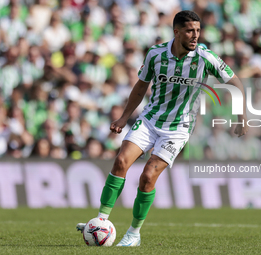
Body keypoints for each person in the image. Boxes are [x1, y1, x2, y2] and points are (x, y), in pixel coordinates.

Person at [76, 10, 248, 246]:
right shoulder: (156, 54)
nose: (195, 36)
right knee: (120, 162)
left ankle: (133, 233)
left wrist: (242, 116)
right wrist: (124, 117)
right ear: (176, 32)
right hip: (150, 120)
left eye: (198, 31)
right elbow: (140, 87)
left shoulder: (206, 58)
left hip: (178, 129)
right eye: (190, 31)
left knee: (147, 177)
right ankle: (101, 221)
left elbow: (235, 82)